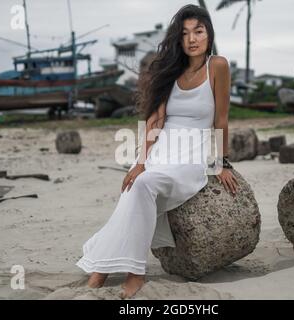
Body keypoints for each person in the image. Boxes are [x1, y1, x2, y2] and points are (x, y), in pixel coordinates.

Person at [75, 4, 239, 299]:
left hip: (193, 153)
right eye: (185, 33)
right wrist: (140, 161)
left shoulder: (218, 66)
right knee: (137, 182)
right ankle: (109, 269)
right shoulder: (170, 71)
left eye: (198, 32)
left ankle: (122, 272)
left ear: (208, 35)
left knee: (145, 185)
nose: (192, 39)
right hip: (162, 148)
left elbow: (221, 119)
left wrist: (222, 163)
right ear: (178, 39)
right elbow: (155, 120)